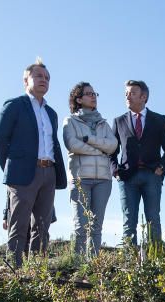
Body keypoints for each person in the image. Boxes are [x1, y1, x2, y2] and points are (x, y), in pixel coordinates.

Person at [0, 59, 67, 266]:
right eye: (39, 76)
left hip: (49, 172)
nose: (44, 80)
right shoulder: (15, 105)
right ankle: (13, 267)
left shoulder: (51, 113)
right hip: (23, 172)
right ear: (26, 80)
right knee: (19, 222)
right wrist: (12, 168)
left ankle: (36, 270)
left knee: (42, 225)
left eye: (47, 78)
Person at [112, 80, 165, 247]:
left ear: (143, 97)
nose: (127, 96)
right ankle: (129, 260)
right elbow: (112, 150)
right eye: (126, 93)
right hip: (127, 177)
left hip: (152, 176)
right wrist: (115, 171)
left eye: (132, 93)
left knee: (153, 218)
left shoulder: (159, 120)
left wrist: (162, 168)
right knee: (129, 220)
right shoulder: (118, 121)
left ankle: (155, 260)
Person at [63, 82, 118, 256]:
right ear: (78, 99)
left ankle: (93, 267)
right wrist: (99, 151)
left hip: (103, 180)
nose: (93, 96)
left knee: (96, 226)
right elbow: (72, 144)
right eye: (88, 94)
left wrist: (89, 140)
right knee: (81, 226)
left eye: (95, 93)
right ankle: (78, 267)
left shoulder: (103, 123)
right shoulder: (70, 121)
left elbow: (113, 146)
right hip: (80, 179)